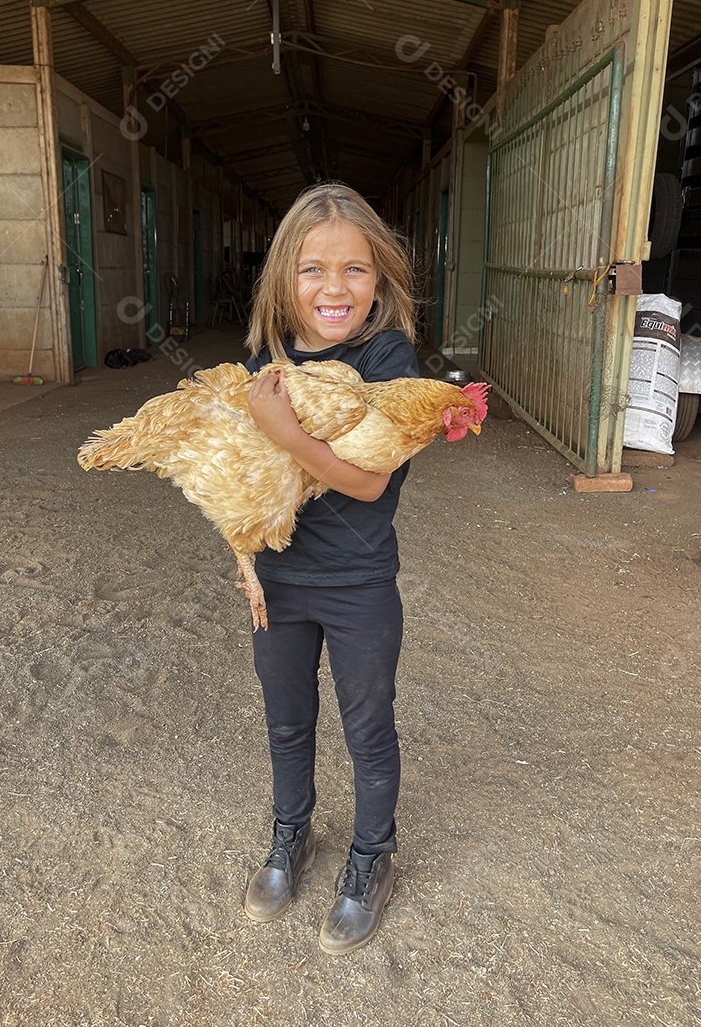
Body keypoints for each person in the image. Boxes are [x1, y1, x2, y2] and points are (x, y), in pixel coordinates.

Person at [243, 182, 420, 955]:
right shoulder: (264, 361)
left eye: (354, 269)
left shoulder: (388, 358)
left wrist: (282, 429)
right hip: (277, 578)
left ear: (379, 278)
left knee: (368, 728)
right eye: (314, 269)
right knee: (287, 723)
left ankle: (371, 858)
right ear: (286, 276)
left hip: (357, 584)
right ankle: (292, 837)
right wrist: (243, 561)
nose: (334, 287)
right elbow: (234, 478)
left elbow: (369, 480)